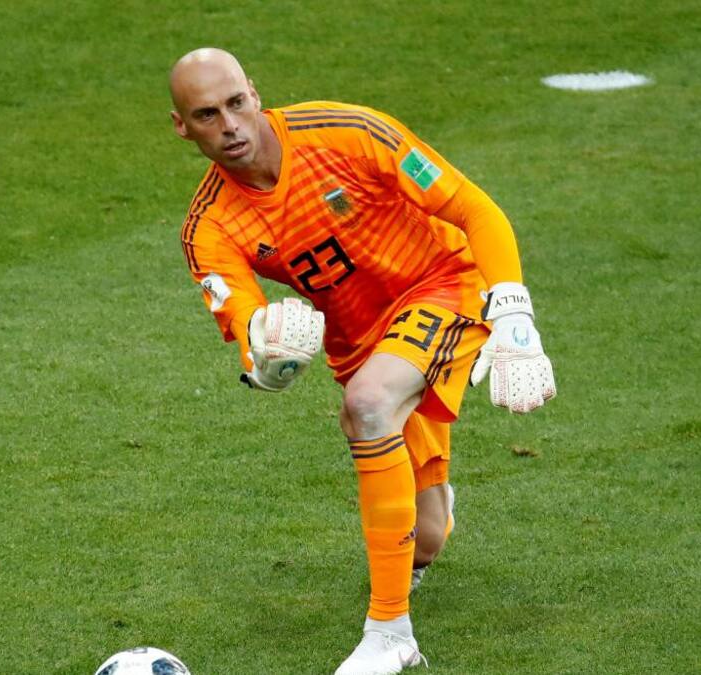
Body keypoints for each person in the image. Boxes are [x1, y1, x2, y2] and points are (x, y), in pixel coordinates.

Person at [169, 48, 556, 675]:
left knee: (367, 406)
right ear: (182, 127)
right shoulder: (208, 228)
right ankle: (430, 521)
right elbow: (250, 331)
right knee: (425, 539)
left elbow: (472, 208)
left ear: (255, 93)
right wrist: (269, 357)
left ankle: (389, 633)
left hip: (441, 283)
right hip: (359, 345)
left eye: (236, 103)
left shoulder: (347, 133)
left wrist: (513, 310)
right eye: (207, 115)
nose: (231, 126)